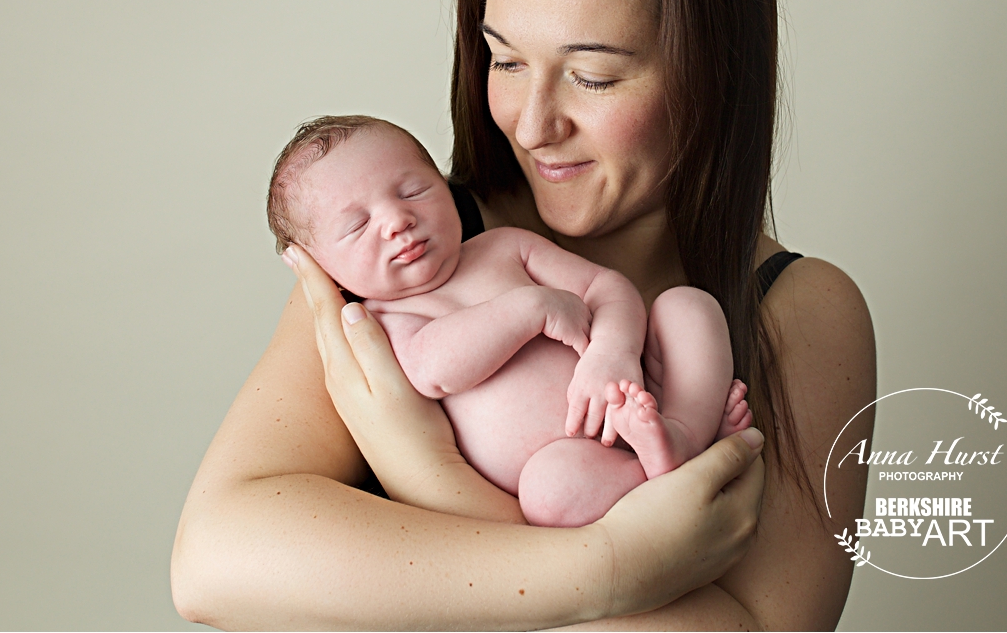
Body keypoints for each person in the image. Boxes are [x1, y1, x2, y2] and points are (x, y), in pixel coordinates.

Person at [172, 0, 876, 629]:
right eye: (505, 62)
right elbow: (214, 562)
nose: (533, 126)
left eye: (593, 76)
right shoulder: (403, 259)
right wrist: (607, 568)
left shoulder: (801, 310)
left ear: (715, 76)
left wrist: (433, 480)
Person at [265, 115, 753, 527]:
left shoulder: (504, 247)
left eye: (414, 190)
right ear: (320, 267)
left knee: (687, 306)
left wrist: (613, 352)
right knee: (547, 493)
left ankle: (686, 430)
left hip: (637, 389)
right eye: (357, 226)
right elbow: (433, 367)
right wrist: (531, 309)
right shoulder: (383, 323)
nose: (397, 220)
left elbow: (607, 288)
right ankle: (657, 470)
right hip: (573, 460)